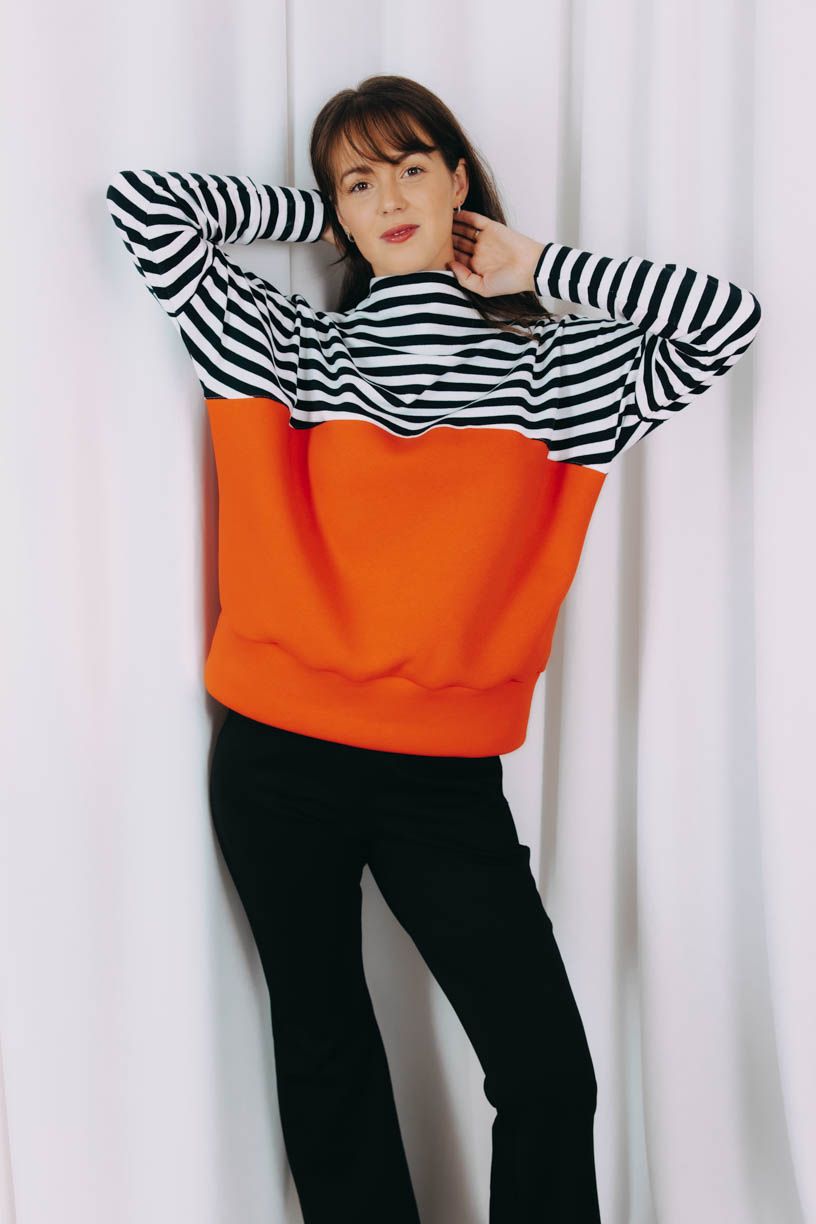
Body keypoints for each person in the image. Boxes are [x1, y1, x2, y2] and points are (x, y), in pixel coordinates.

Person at [104, 73, 762, 1224]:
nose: (392, 198)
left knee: (548, 1076)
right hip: (277, 761)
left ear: (461, 181)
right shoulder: (283, 348)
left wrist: (533, 266)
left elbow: (726, 319)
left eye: (413, 168)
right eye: (361, 182)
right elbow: (145, 206)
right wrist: (322, 212)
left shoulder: (562, 376)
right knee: (328, 1064)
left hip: (442, 783)